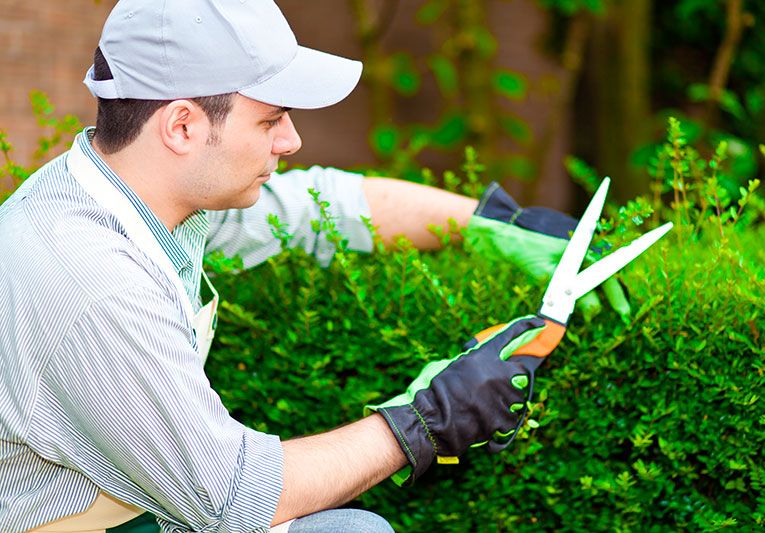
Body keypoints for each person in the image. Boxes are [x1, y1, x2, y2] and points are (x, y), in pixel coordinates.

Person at [0, 1, 627, 532]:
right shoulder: (87, 274)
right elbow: (233, 497)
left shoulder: (147, 194)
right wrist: (426, 421)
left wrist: (490, 224)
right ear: (183, 126)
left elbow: (320, 207)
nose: (290, 141)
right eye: (270, 119)